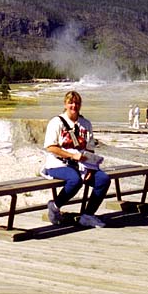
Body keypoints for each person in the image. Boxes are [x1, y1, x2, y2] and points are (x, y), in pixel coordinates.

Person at [43, 91, 111, 229]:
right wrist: (72, 156)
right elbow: (50, 147)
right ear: (65, 104)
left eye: (77, 103)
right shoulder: (56, 122)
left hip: (82, 165)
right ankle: (55, 206)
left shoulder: (85, 124)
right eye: (71, 102)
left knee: (103, 180)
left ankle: (88, 215)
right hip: (58, 163)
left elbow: (90, 148)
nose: (74, 105)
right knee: (75, 180)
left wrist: (91, 167)